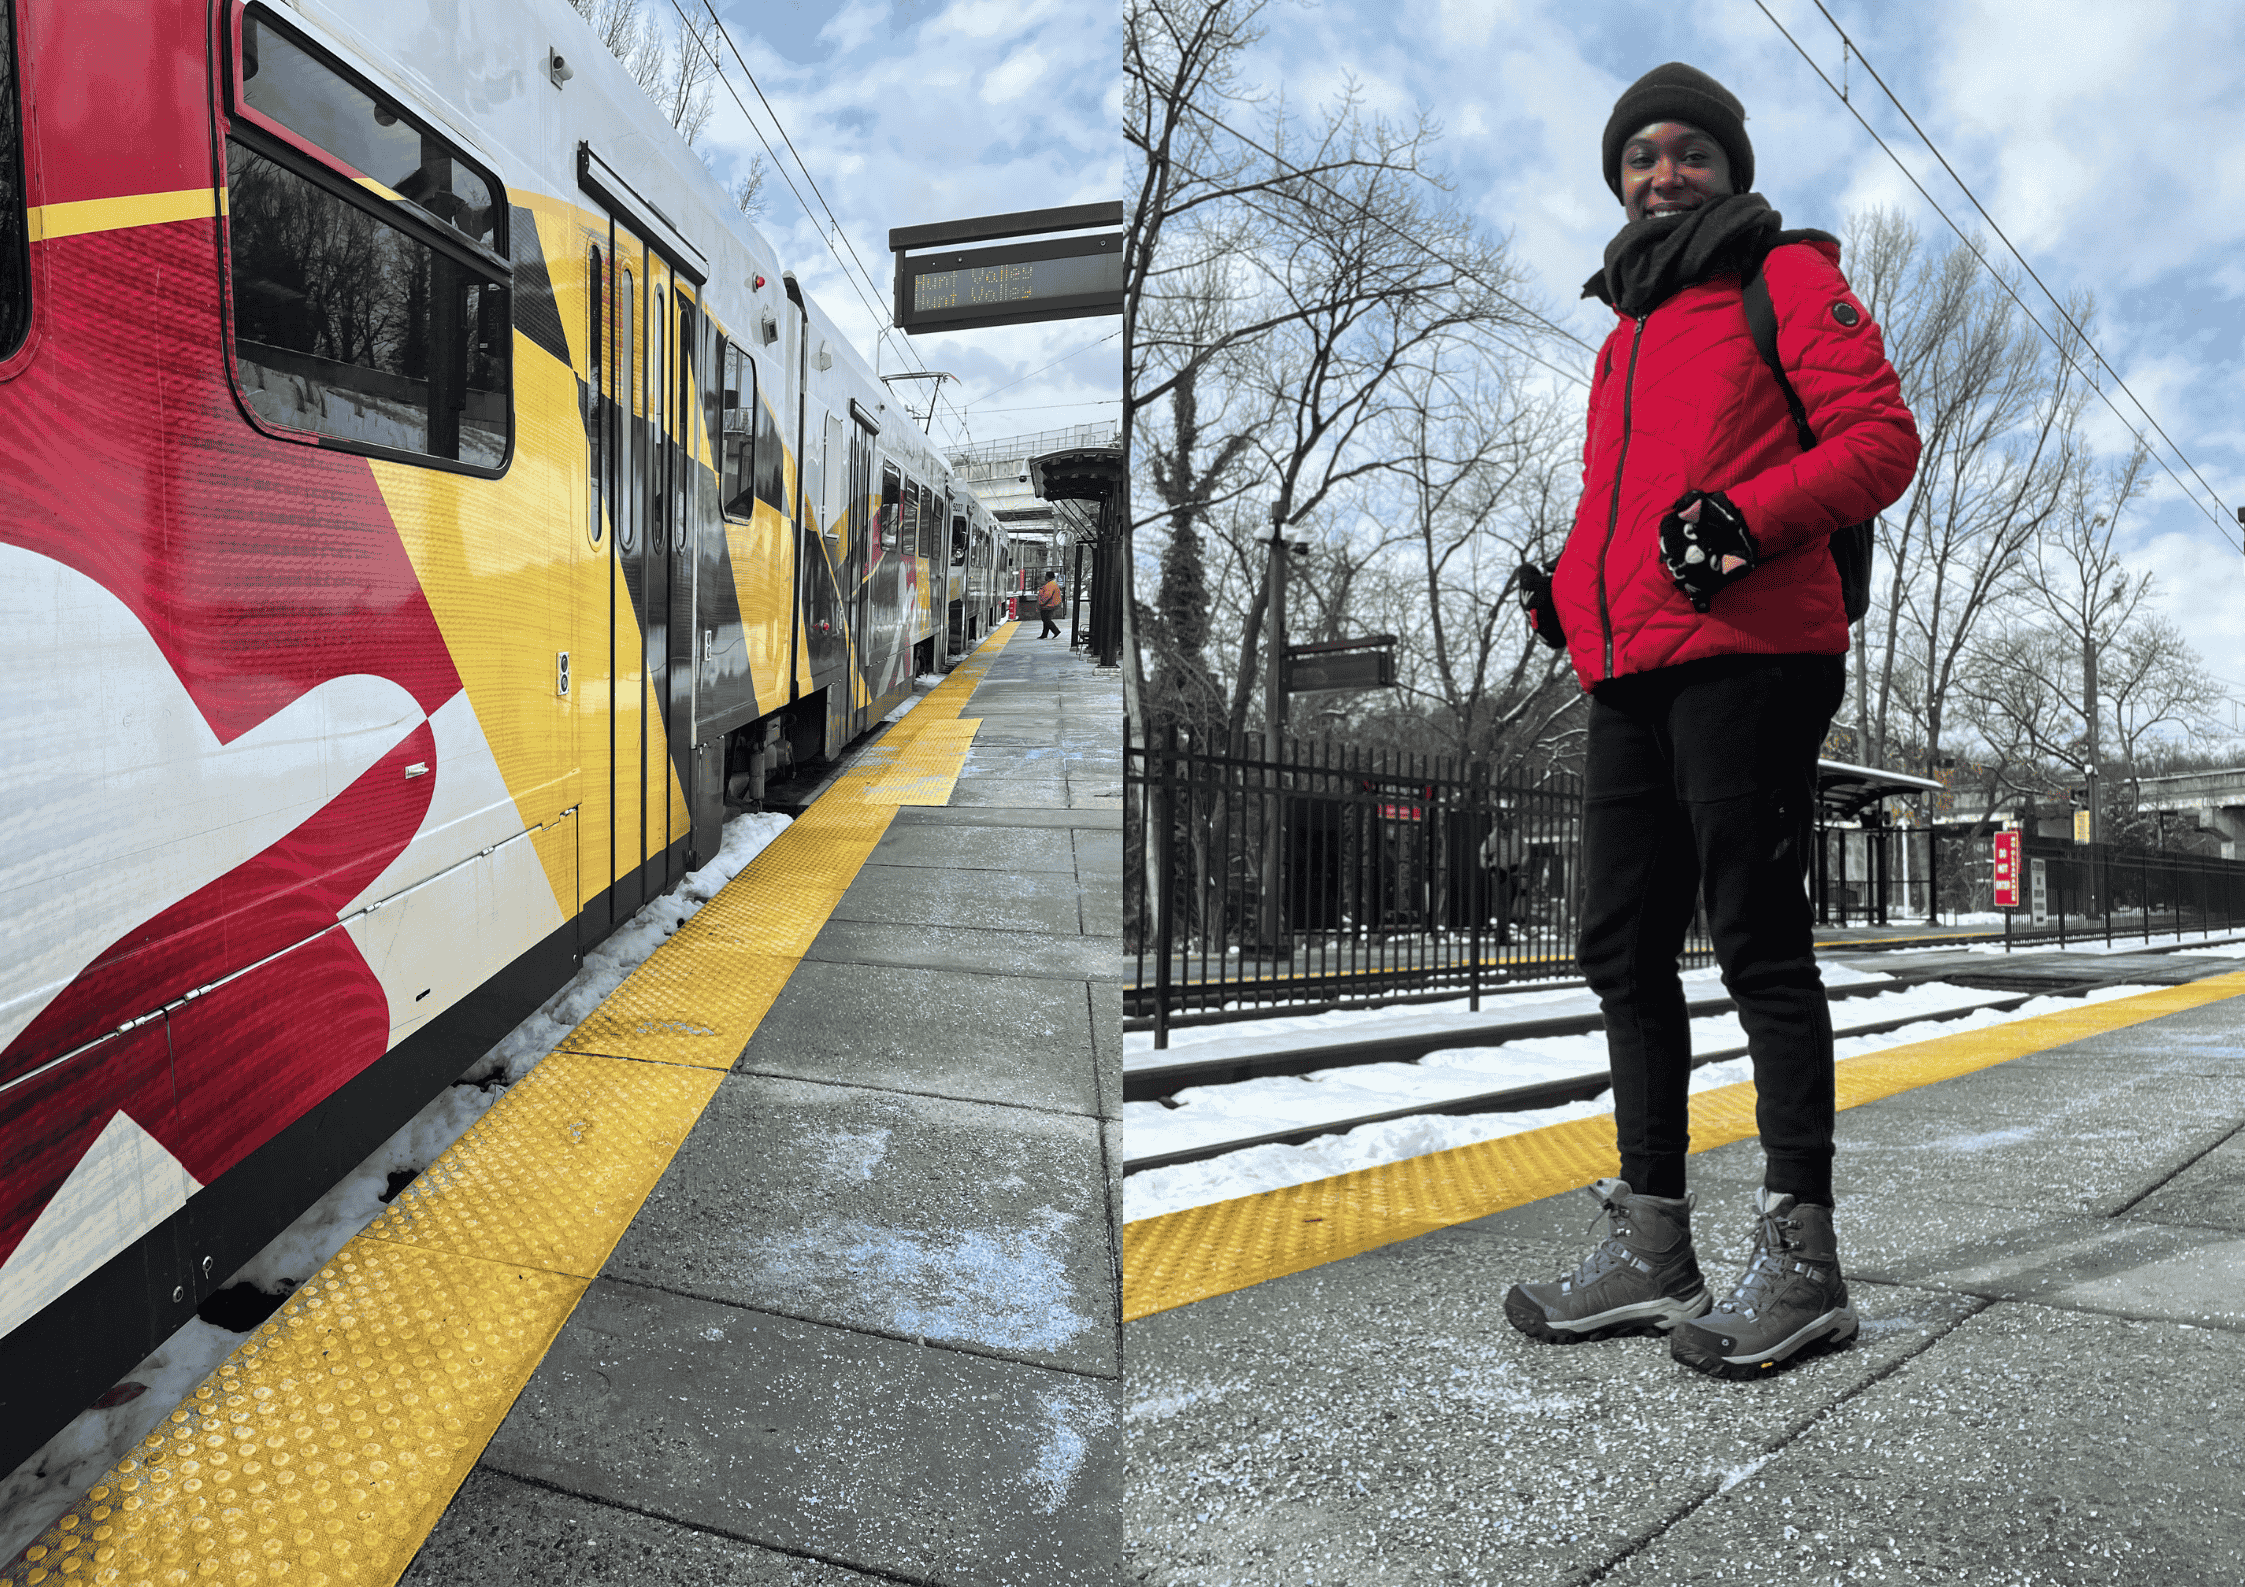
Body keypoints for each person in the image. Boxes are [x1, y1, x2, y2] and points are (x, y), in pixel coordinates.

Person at [1501, 63, 1920, 1379]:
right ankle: (1652, 1241)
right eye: (1639, 157)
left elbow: (1877, 441)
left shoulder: (1782, 278)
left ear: (1729, 167)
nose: (1660, 173)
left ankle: (1803, 1256)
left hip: (1755, 650)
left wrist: (1744, 519)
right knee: (1620, 941)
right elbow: (1613, 511)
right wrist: (1570, 595)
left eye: (1687, 152)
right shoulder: (1621, 335)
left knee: (1754, 933)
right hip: (1632, 666)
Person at [1036, 570, 1064, 639]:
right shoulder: (1053, 584)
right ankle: (1044, 634)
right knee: (1046, 619)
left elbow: (1047, 595)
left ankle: (1055, 631)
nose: (1044, 577)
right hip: (1050, 604)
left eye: (1045, 575)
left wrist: (1041, 603)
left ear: (1047, 577)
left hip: (1048, 605)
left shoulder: (1050, 585)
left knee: (1046, 620)